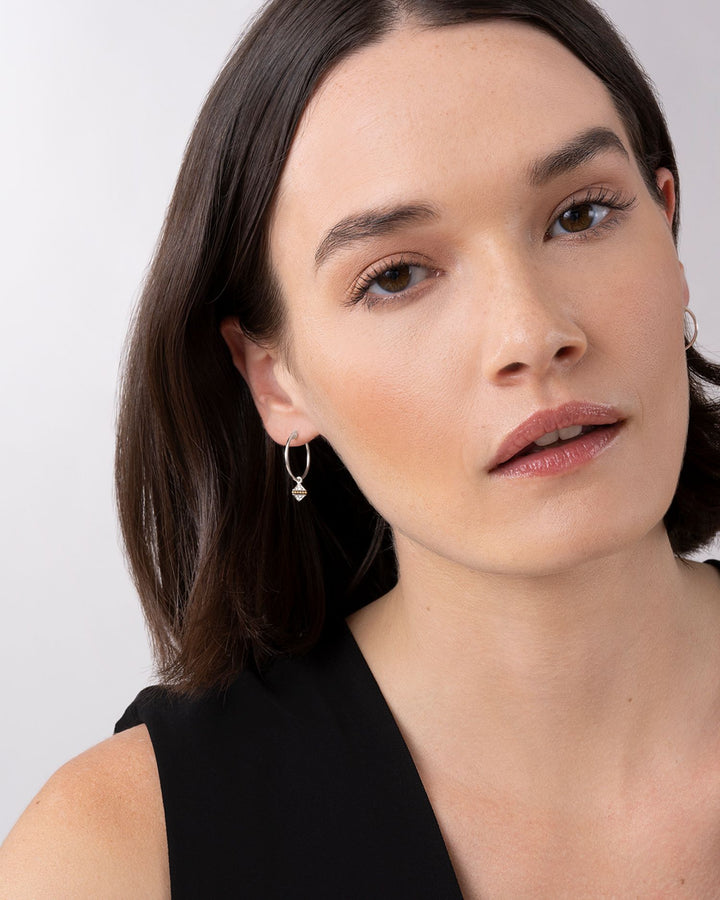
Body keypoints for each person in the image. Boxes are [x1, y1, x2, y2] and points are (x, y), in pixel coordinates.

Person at [2, 0, 720, 896]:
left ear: (667, 228)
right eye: (397, 276)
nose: (533, 335)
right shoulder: (114, 857)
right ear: (273, 379)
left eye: (580, 215)